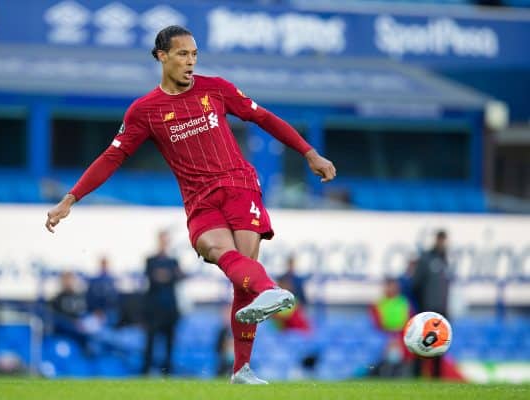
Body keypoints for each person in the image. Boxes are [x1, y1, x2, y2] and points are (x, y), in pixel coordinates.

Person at [45, 25, 336, 384]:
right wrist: (71, 198)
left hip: (238, 185)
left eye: (195, 55)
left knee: (243, 280)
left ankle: (241, 368)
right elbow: (111, 157)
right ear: (161, 56)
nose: (190, 63)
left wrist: (309, 153)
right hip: (199, 200)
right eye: (183, 54)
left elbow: (264, 118)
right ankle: (271, 291)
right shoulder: (145, 111)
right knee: (216, 250)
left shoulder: (216, 88)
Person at [142, 230, 184, 375]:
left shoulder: (173, 261)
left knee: (169, 343)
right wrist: (169, 275)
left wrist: (166, 275)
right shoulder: (150, 259)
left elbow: (178, 277)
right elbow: (153, 277)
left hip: (170, 308)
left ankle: (167, 371)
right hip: (154, 309)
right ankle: (146, 371)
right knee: (150, 341)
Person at [411, 230, 452, 379]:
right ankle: (416, 375)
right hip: (427, 311)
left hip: (441, 311)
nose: (442, 243)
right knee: (419, 343)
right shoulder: (426, 259)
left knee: (439, 345)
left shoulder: (445, 260)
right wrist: (423, 306)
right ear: (436, 240)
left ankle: (436, 377)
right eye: (440, 239)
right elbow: (415, 284)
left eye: (444, 240)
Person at [369, 277, 414, 378]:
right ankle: (385, 374)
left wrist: (398, 334)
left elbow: (410, 321)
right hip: (384, 335)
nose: (392, 289)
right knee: (389, 344)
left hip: (401, 335)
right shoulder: (379, 303)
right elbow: (376, 323)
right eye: (389, 286)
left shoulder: (404, 302)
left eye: (394, 286)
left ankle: (402, 374)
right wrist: (390, 334)